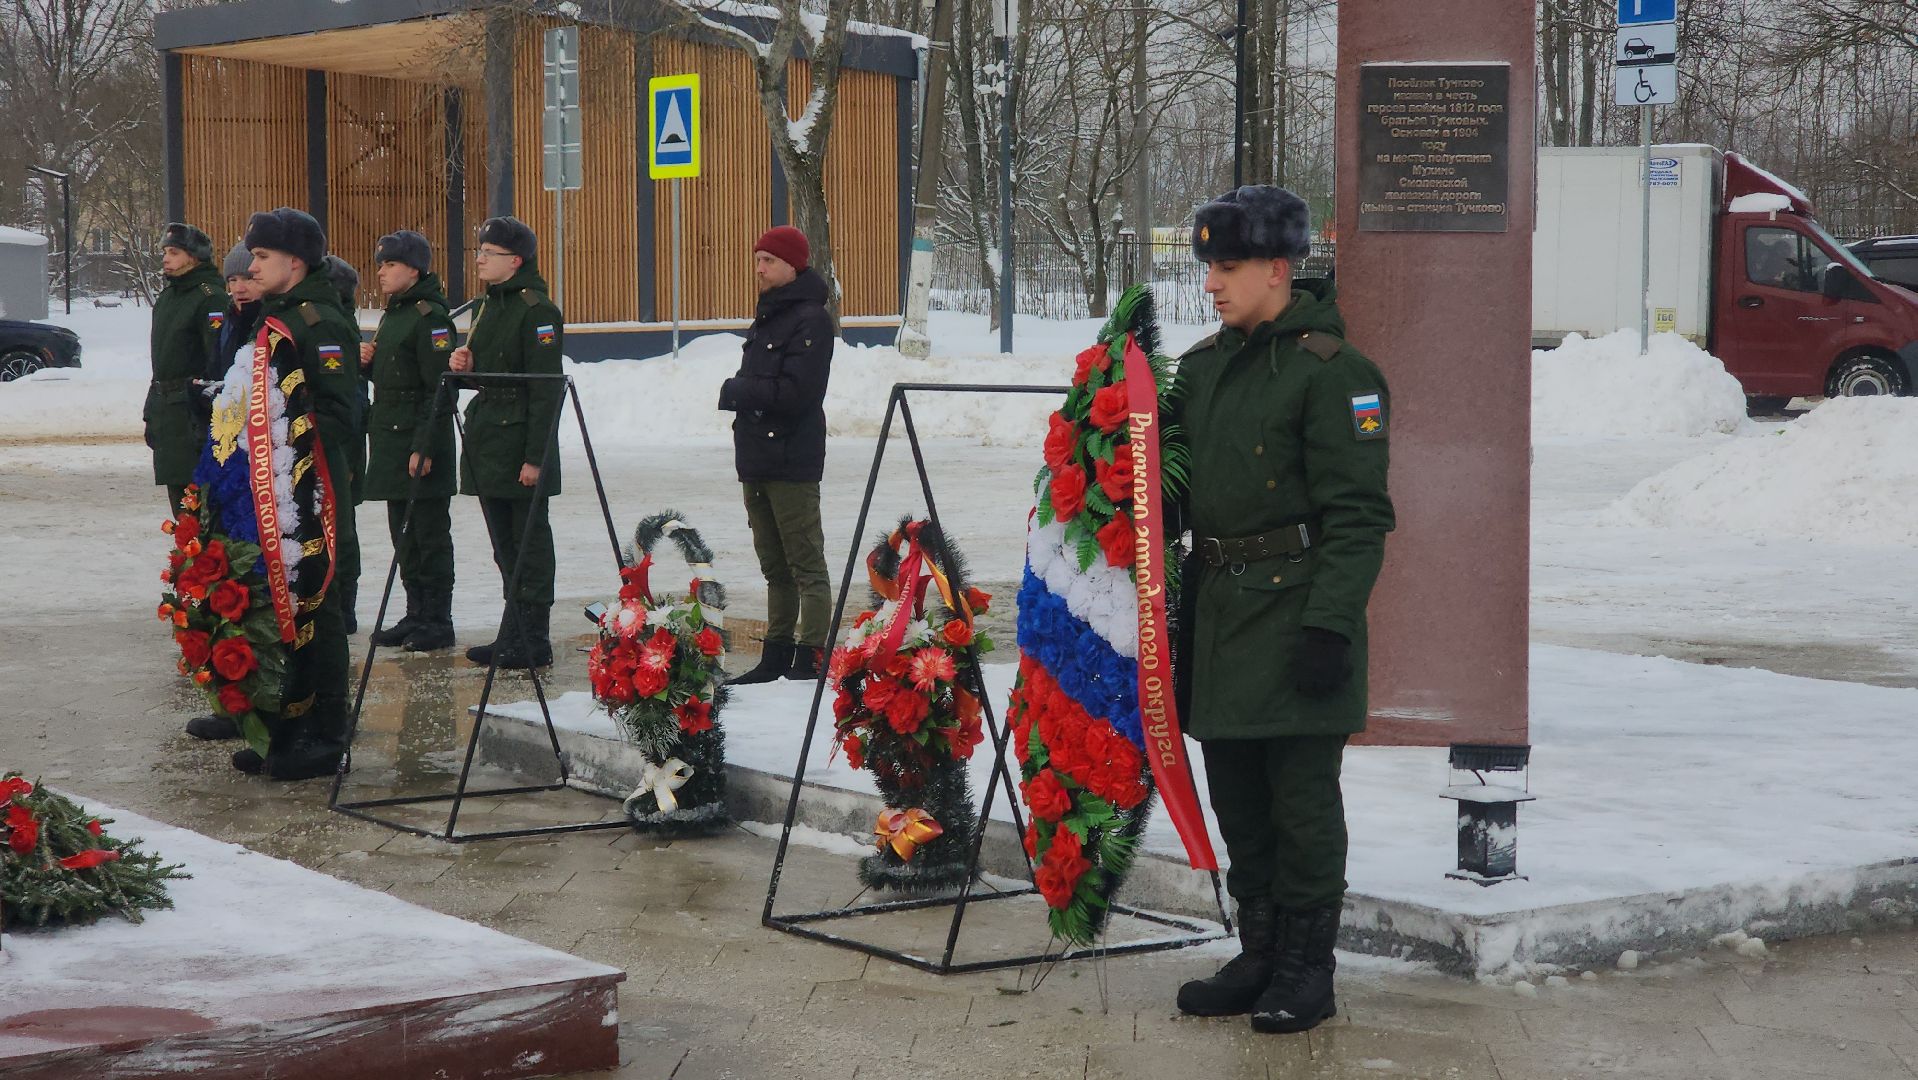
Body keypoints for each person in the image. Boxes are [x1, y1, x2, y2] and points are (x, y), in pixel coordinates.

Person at [1167, 186, 1394, 1034]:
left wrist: (1331, 625)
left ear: (1276, 268)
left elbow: (1359, 516)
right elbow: (1175, 491)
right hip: (1222, 615)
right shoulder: (1201, 368)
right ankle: (1258, 948)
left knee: (1302, 804)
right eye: (1208, 271)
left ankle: (1307, 965)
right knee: (1239, 798)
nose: (1212, 286)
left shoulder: (1335, 372)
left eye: (1226, 269)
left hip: (1299, 613)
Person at [237, 206, 364, 779]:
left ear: (295, 262)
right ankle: (285, 724)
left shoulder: (319, 320)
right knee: (280, 598)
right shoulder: (276, 314)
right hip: (278, 482)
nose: (251, 265)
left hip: (313, 485)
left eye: (261, 257)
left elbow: (341, 412)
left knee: (320, 601)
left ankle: (327, 732)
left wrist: (293, 457)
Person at [718, 225, 834, 685]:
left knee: (806, 563)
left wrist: (737, 391)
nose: (759, 269)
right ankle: (777, 654)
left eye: (768, 260)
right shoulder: (769, 315)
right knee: (774, 565)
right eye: (758, 259)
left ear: (793, 265)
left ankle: (810, 657)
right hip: (757, 458)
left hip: (792, 458)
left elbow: (798, 392)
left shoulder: (812, 320)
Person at [450, 217, 563, 670]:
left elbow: (544, 388)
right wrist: (467, 369)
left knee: (528, 543)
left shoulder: (536, 309)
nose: (478, 257)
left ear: (514, 261)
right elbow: (494, 376)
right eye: (479, 250)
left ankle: (534, 637)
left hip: (519, 442)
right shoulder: (488, 305)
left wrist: (535, 457)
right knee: (504, 544)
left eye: (489, 252)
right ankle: (512, 631)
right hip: (489, 440)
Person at [181, 242, 268, 745]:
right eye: (234, 279)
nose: (239, 286)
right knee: (221, 577)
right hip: (224, 458)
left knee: (249, 580)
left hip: (254, 469)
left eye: (248, 278)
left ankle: (253, 699)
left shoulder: (269, 324)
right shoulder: (234, 321)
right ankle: (232, 696)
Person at [362, 231, 459, 652]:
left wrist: (425, 447)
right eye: (381, 264)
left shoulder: (429, 318)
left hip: (417, 443)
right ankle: (415, 612)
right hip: (390, 440)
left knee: (428, 534)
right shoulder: (395, 313)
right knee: (403, 534)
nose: (381, 272)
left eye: (390, 265)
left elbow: (439, 389)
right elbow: (397, 377)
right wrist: (369, 365)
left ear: (414, 269)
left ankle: (437, 619)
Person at [147, 222, 228, 514]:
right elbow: (163, 362)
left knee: (200, 511)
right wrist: (151, 410)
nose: (166, 258)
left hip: (192, 413)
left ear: (194, 257)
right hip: (168, 412)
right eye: (165, 252)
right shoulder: (169, 297)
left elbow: (217, 361)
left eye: (174, 252)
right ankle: (188, 559)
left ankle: (201, 561)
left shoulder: (209, 297)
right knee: (180, 509)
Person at [321, 254, 367, 635]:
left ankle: (345, 605)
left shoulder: (337, 330)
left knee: (342, 529)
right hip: (341, 442)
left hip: (344, 444)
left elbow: (352, 401)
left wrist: (350, 456)